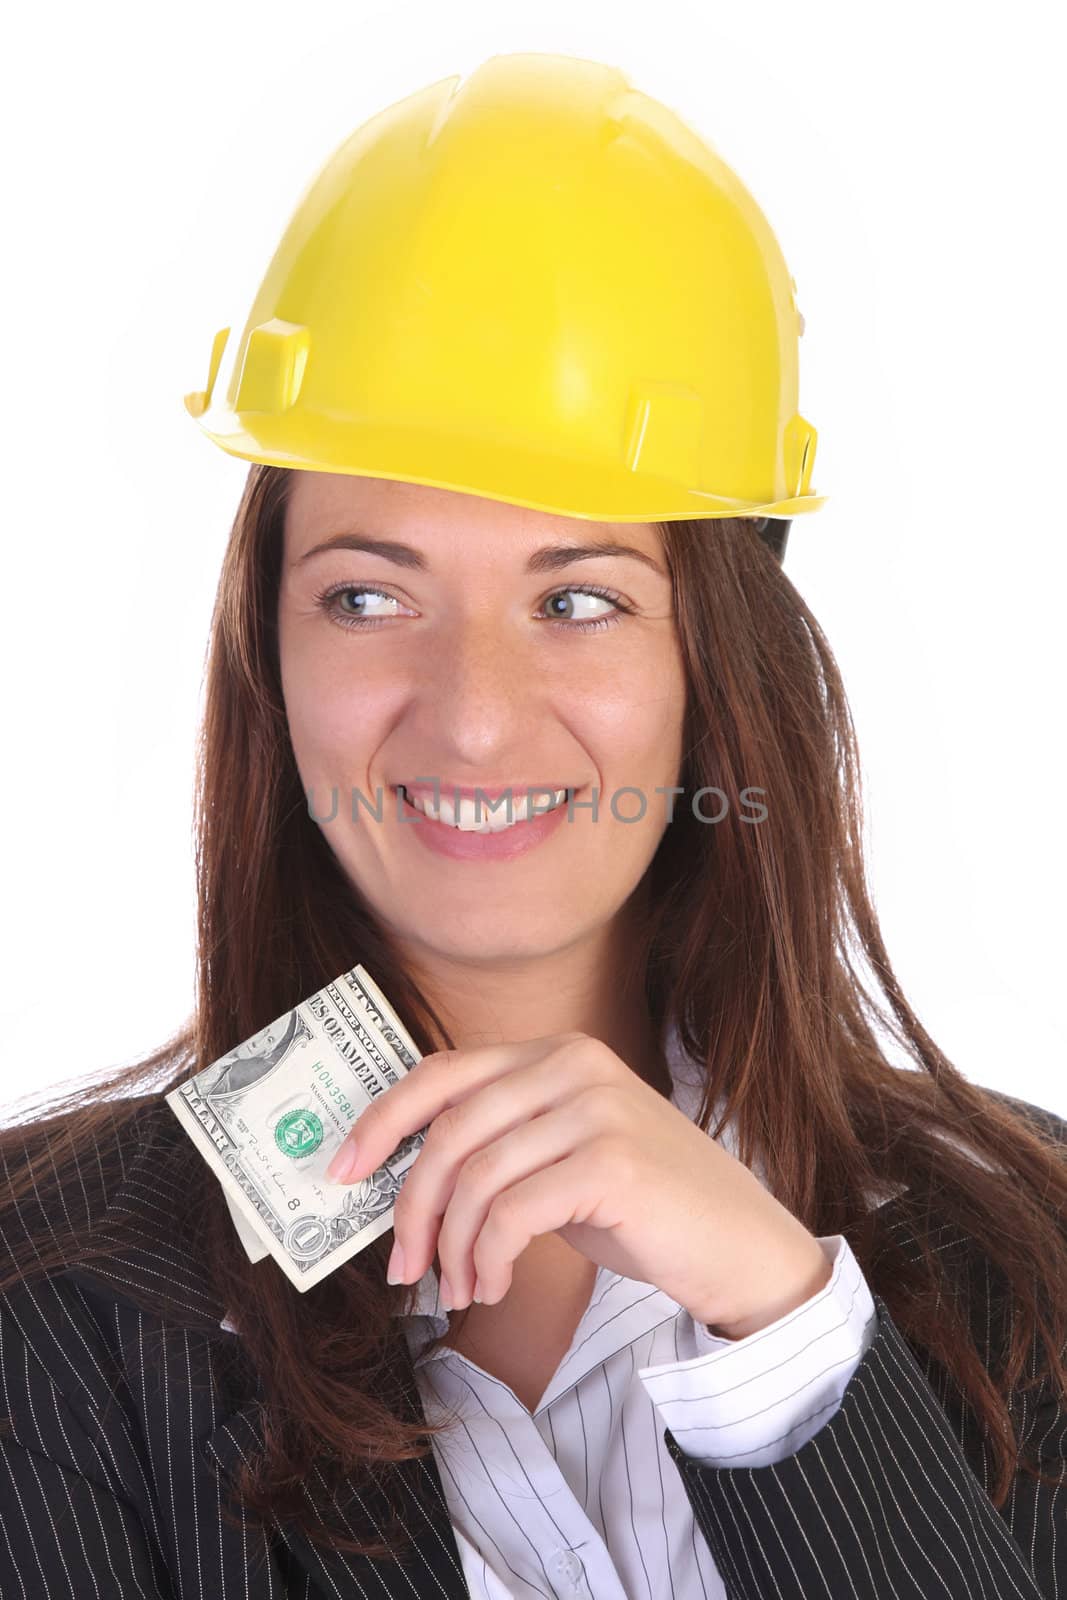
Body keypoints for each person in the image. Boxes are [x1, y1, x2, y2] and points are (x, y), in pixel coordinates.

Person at [1, 50, 1065, 1600]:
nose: (476, 716)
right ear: (269, 657)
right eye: (368, 596)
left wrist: (783, 1335)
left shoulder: (1034, 1255)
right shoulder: (41, 1303)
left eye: (578, 600)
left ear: (719, 660)